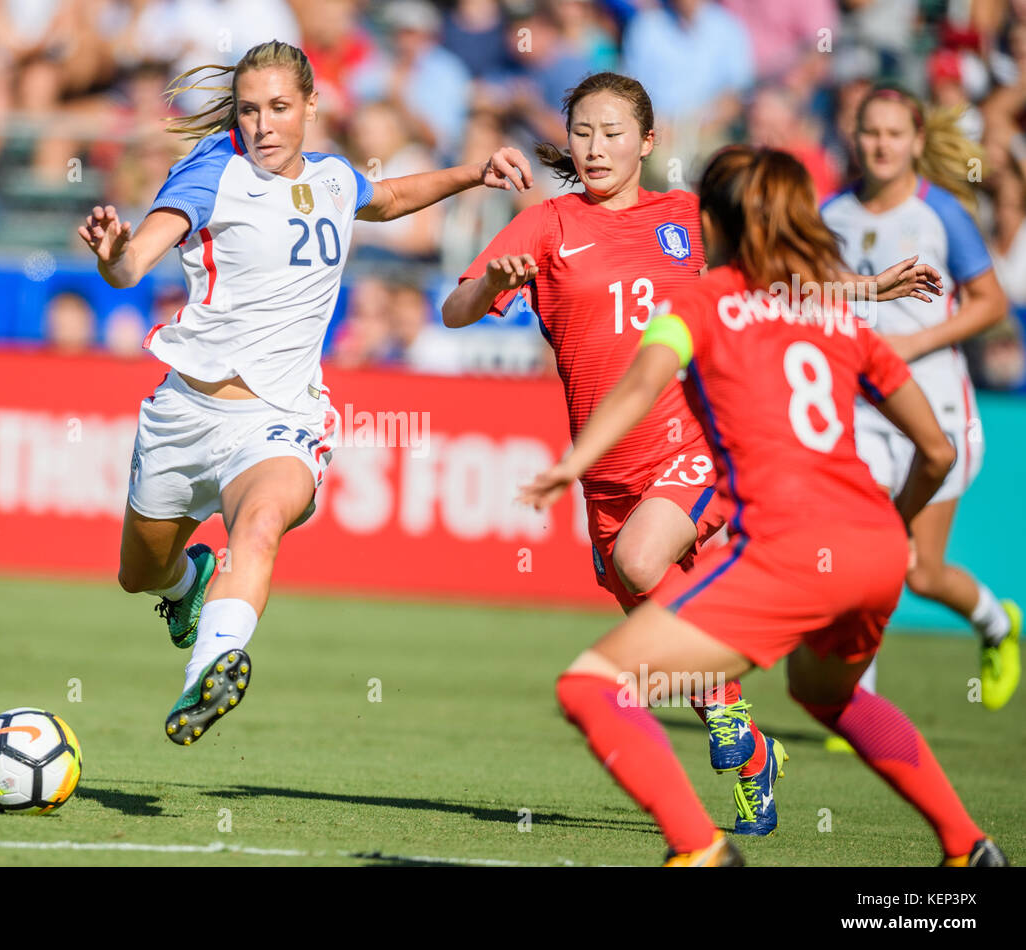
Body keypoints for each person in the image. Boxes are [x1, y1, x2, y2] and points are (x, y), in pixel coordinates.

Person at [442, 71, 935, 834]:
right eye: (582, 132)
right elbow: (455, 308)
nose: (595, 146)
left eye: (612, 132)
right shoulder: (545, 225)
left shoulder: (686, 217)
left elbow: (769, 286)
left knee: (643, 562)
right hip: (606, 466)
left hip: (691, 441)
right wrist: (489, 287)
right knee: (642, 592)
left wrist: (866, 290)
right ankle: (748, 748)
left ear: (648, 142)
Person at [520, 146, 1008, 868]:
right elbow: (935, 452)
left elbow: (638, 383)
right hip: (875, 548)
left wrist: (573, 461)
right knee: (830, 696)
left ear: (713, 224)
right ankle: (968, 846)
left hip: (788, 549)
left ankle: (700, 849)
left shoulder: (700, 300)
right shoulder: (832, 316)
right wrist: (894, 529)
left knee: (589, 684)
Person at [78, 40, 532, 746]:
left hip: (280, 417)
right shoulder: (213, 172)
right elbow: (134, 260)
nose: (263, 125)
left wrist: (475, 171)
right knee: (139, 574)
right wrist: (114, 254)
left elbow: (390, 199)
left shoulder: (334, 178)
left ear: (312, 107)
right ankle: (183, 589)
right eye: (250, 109)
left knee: (258, 528)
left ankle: (209, 669)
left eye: (280, 108)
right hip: (183, 415)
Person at [822, 86, 1020, 722]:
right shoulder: (831, 214)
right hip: (863, 413)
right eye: (870, 132)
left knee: (921, 573)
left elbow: (990, 304)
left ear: (915, 141)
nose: (881, 145)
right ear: (855, 138)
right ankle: (861, 703)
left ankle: (999, 625)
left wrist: (916, 341)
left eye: (893, 133)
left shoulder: (943, 216)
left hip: (934, 410)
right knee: (863, 555)